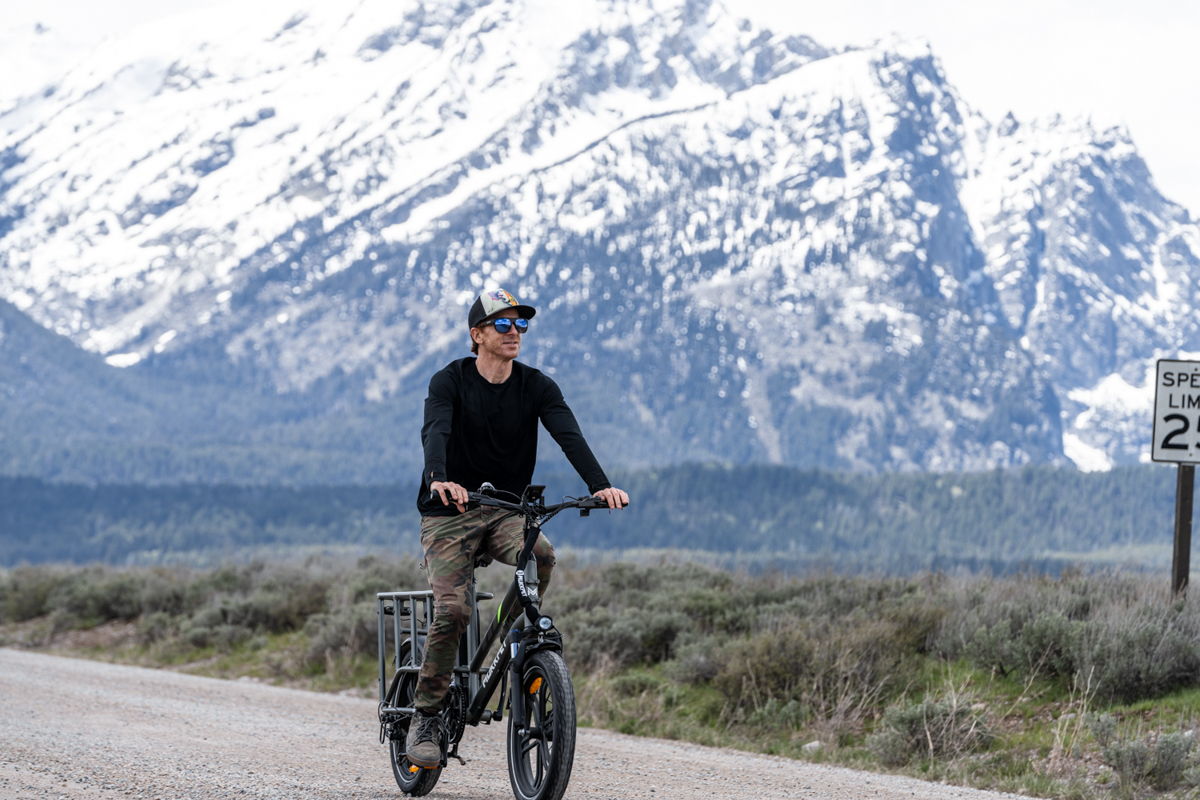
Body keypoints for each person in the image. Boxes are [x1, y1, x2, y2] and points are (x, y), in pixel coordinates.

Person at [407, 287, 629, 768]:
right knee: (453, 610)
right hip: (451, 511)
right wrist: (440, 478)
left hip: (507, 510)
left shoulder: (536, 386)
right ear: (477, 335)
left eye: (521, 324)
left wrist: (601, 486)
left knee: (543, 556)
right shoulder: (449, 381)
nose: (515, 333)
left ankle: (509, 643)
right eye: (503, 324)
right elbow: (436, 431)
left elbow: (569, 435)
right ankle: (425, 715)